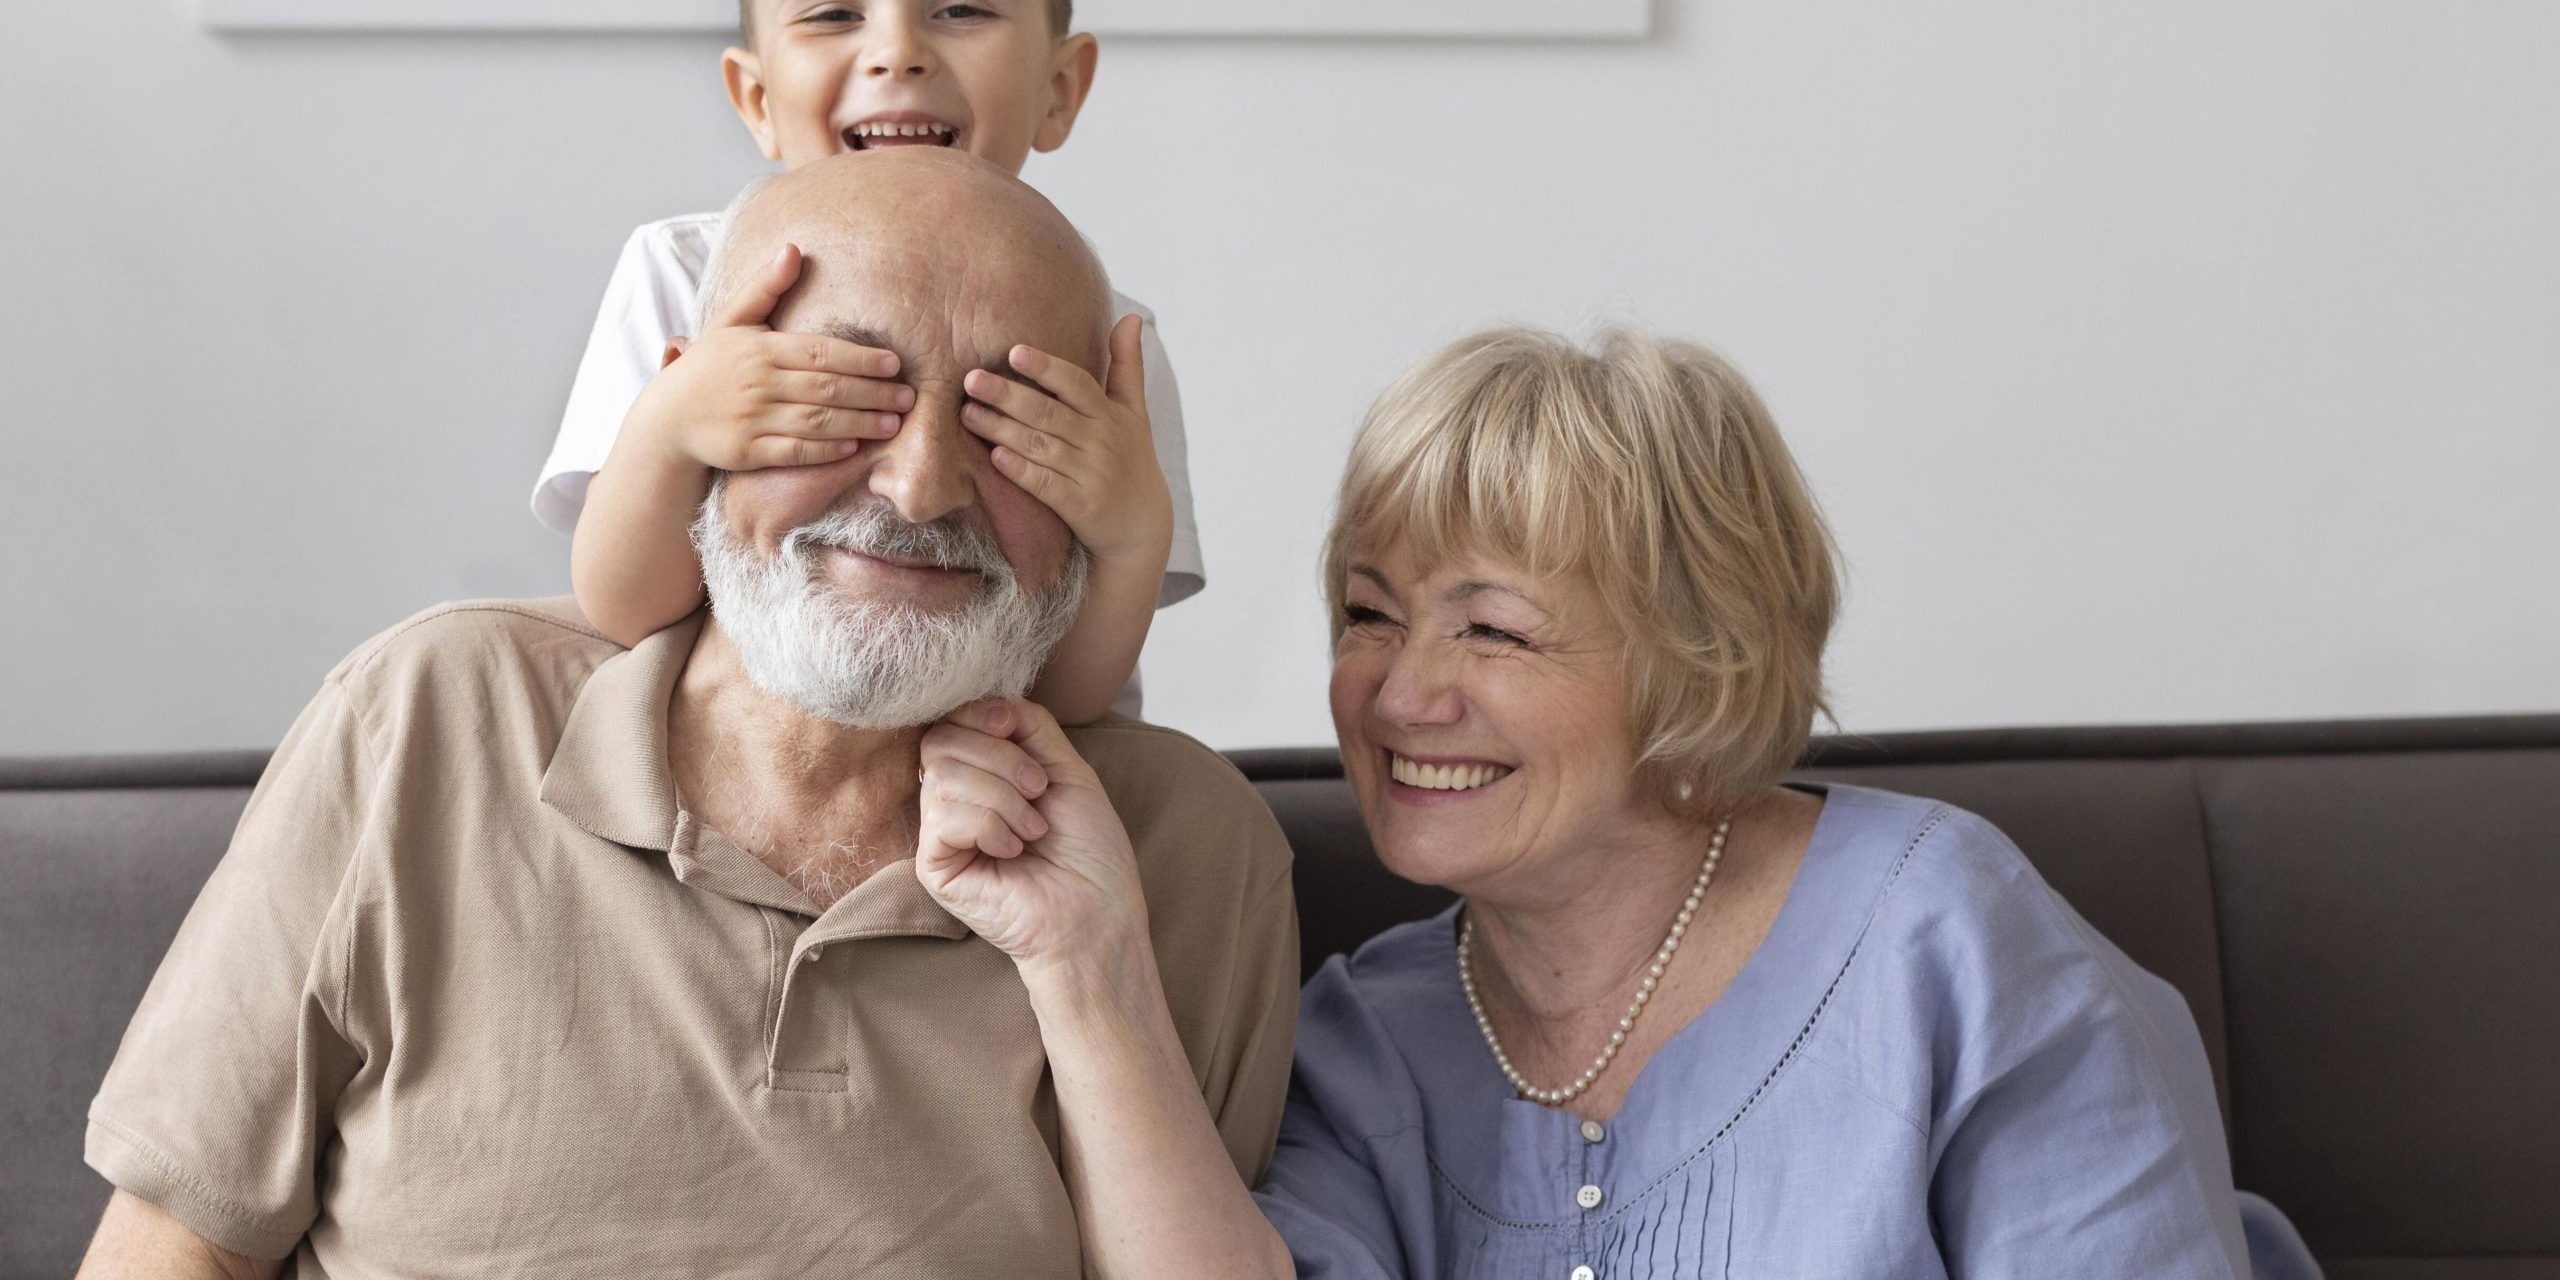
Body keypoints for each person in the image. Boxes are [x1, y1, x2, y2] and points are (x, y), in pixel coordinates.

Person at [75, 148, 1297, 1280]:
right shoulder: (430, 712)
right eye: (841, 392)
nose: (921, 485)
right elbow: (176, 1244)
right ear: (695, 416)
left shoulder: (1186, 846)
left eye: (1007, 421)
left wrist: (1092, 972)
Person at [924, 325, 2325, 1277]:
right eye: (1370, 614)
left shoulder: (1944, 940)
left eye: (1493, 631)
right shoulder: (1368, 1041)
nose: (1402, 694)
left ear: (1691, 658)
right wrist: (1085, 956)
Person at [537, 0, 1195, 725]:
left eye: (963, 9)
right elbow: (626, 612)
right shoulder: (683, 273)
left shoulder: (1106, 331)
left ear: (1060, 88)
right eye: (834, 13)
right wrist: (669, 426)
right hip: (738, 748)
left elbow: (1069, 701)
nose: (898, 52)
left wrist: (1133, 539)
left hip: (993, 765)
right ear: (758, 99)